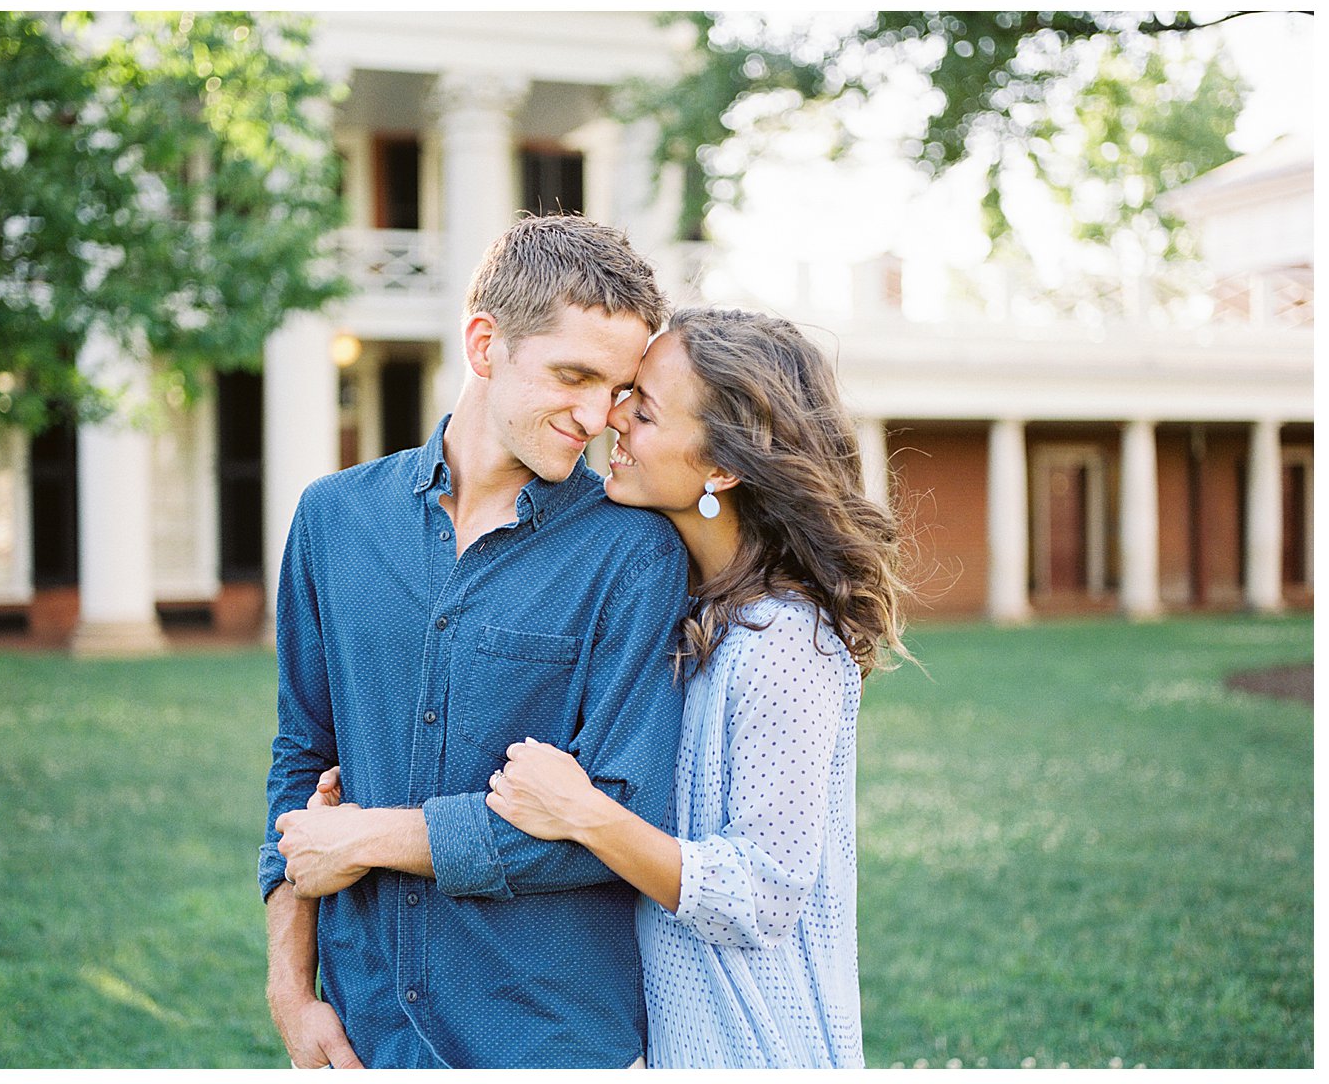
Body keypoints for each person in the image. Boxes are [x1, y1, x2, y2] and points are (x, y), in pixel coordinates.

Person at [259, 214, 688, 1069]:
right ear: (485, 344)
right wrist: (290, 991)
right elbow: (301, 757)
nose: (597, 415)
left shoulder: (635, 554)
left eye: (615, 390)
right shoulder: (332, 519)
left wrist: (370, 837)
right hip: (366, 1025)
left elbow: (620, 820)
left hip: (546, 1040)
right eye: (574, 375)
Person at [478, 307, 913, 1067]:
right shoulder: (690, 608)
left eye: (641, 409)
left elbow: (764, 895)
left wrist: (583, 814)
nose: (612, 418)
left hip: (761, 1052)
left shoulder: (786, 643)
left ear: (719, 468)